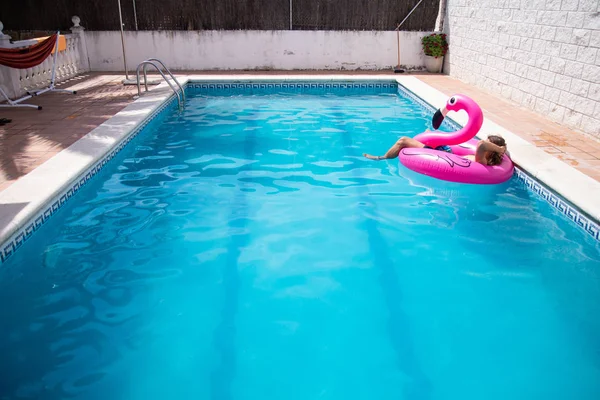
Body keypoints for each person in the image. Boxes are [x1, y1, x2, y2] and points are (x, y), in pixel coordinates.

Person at [363, 134, 507, 166]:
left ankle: (381, 158)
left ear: (492, 149)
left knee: (403, 141)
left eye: (490, 144)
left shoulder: (482, 160)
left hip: (440, 157)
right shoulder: (482, 157)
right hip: (445, 153)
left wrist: (500, 149)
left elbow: (481, 144)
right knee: (427, 135)